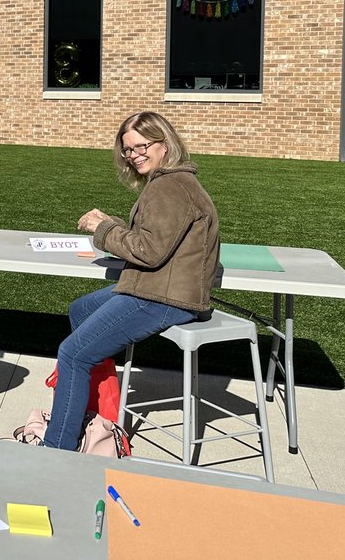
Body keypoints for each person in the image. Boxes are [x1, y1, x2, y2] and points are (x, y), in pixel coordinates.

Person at [43, 111, 221, 450]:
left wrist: (103, 228)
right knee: (81, 310)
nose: (134, 154)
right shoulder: (174, 181)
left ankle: (56, 450)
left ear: (165, 144)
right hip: (157, 287)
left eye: (142, 146)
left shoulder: (169, 187)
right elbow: (157, 240)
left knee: (72, 354)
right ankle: (98, 411)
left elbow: (149, 251)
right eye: (128, 149)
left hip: (163, 297)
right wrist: (116, 226)